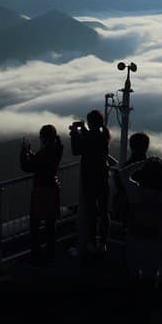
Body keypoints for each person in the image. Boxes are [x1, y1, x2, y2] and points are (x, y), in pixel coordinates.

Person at [118, 157, 162, 282]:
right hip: (157, 238)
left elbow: (123, 173)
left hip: (135, 235)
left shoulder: (135, 191)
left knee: (133, 272)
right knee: (150, 274)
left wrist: (142, 162)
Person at [70, 110, 115, 256]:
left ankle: (91, 242)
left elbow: (77, 150)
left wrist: (74, 133)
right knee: (103, 211)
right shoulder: (103, 134)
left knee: (91, 212)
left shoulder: (92, 136)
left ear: (90, 122)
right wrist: (83, 129)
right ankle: (103, 243)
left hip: (90, 178)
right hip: (103, 177)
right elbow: (91, 139)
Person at [20, 124, 64, 264]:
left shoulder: (46, 152)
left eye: (41, 137)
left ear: (45, 138)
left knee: (35, 223)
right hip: (52, 189)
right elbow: (40, 161)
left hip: (41, 190)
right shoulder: (56, 149)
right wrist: (31, 153)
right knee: (50, 222)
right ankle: (51, 252)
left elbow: (27, 166)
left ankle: (36, 255)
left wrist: (24, 152)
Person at [112, 132, 150, 226]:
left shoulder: (128, 167)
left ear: (131, 146)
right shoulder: (151, 166)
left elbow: (120, 184)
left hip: (126, 205)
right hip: (147, 207)